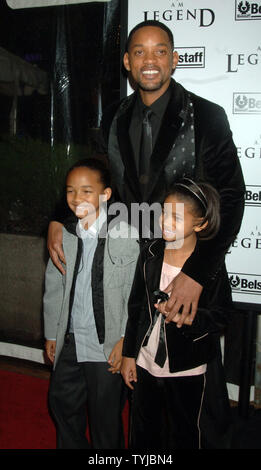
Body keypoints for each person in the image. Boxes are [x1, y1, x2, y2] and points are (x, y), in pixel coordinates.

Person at [47, 19, 245, 331]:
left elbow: (231, 197)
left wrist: (196, 274)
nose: (150, 61)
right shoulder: (115, 115)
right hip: (126, 266)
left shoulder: (207, 116)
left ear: (174, 59)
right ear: (127, 61)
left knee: (184, 372)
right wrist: (60, 216)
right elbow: (98, 175)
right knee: (127, 365)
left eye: (160, 52)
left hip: (182, 269)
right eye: (139, 52)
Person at [121, 179, 233, 450]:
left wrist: (191, 320)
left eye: (176, 217)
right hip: (147, 362)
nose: (165, 222)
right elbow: (136, 306)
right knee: (144, 432)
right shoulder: (149, 253)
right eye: (164, 213)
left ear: (201, 224)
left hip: (187, 367)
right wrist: (128, 356)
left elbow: (221, 315)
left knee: (186, 435)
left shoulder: (209, 268)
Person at [43, 157, 139, 449]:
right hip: (71, 339)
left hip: (106, 346)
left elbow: (134, 292)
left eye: (86, 191)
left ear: (105, 194)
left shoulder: (126, 233)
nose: (76, 198)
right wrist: (51, 333)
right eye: (71, 190)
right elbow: (54, 285)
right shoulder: (65, 235)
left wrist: (126, 339)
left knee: (105, 420)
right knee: (62, 406)